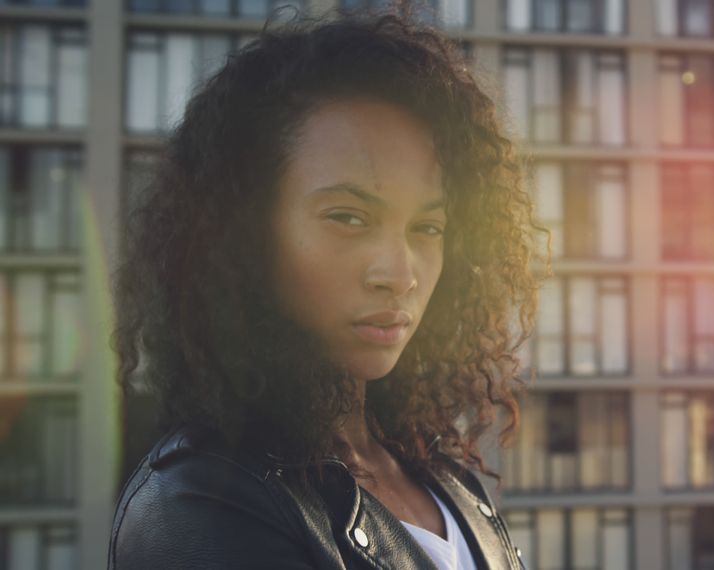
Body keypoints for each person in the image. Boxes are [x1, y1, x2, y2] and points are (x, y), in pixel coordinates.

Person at [108, 10, 544, 570]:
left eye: (428, 228)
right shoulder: (198, 505)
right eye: (348, 217)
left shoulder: (445, 481)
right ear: (245, 235)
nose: (401, 272)